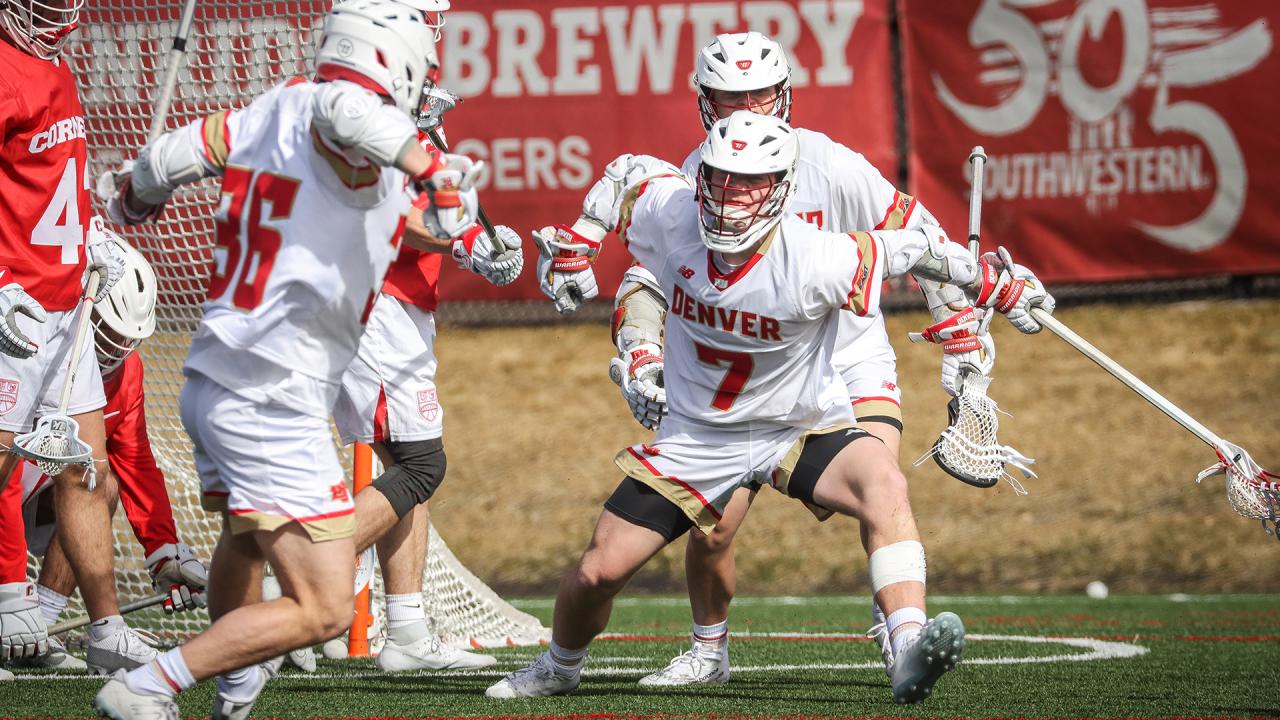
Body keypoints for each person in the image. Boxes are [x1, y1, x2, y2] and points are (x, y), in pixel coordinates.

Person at [491, 112, 1055, 704]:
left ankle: (908, 646)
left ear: (782, 187)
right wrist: (580, 241)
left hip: (797, 425)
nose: (731, 198)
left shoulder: (814, 256)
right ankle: (559, 665)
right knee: (596, 572)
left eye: (750, 183)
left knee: (884, 484)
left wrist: (995, 283)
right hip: (699, 436)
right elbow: (625, 176)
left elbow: (914, 249)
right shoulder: (673, 212)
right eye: (720, 178)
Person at [561, 31, 997, 687]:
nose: (744, 107)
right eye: (727, 96)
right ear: (705, 103)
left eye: (757, 93)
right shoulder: (695, 175)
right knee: (713, 530)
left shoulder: (827, 162)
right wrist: (640, 352)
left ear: (783, 95)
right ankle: (709, 650)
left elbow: (919, 238)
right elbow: (646, 282)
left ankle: (900, 638)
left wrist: (962, 339)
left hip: (846, 353)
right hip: (749, 372)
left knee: (878, 482)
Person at [90, 1, 483, 716]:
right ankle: (148, 685)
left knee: (243, 541)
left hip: (214, 377)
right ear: (390, 66)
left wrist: (134, 197)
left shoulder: (268, 112)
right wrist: (435, 169)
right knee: (326, 607)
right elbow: (351, 114)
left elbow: (171, 156)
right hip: (276, 394)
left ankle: (234, 690)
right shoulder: (351, 119)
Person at [330, 126, 522, 672]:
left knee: (403, 466)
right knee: (421, 464)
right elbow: (390, 216)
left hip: (395, 303)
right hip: (376, 301)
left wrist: (473, 242)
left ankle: (408, 627)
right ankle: (303, 573)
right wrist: (469, 246)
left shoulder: (392, 122)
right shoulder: (371, 124)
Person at [0, 0, 153, 678]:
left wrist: (86, 234)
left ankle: (105, 627)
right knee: (3, 462)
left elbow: (53, 178)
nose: (58, 9)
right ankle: (7, 606)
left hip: (66, 303)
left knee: (85, 469)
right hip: (16, 303)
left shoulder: (55, 63)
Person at [8, 242, 208, 674]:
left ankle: (37, 628)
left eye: (126, 338)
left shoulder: (125, 373)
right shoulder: (31, 344)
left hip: (36, 490)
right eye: (109, 331)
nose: (117, 347)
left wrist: (163, 549)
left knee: (102, 480)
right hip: (10, 476)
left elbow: (135, 459)